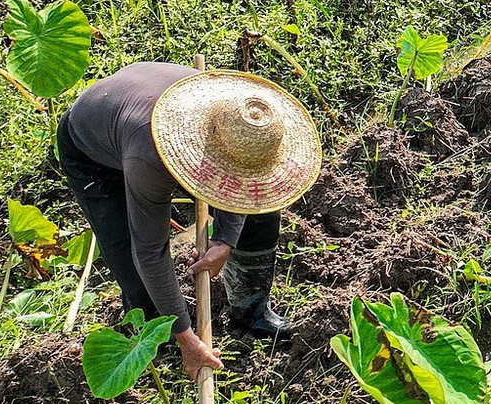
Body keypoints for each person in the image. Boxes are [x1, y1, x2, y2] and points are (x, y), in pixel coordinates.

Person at [58, 64, 322, 379]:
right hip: (93, 147)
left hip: (144, 118)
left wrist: (225, 239)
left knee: (259, 208)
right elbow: (149, 252)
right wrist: (187, 337)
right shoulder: (150, 160)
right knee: (129, 254)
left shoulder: (237, 112)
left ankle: (252, 311)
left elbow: (242, 178)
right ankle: (164, 340)